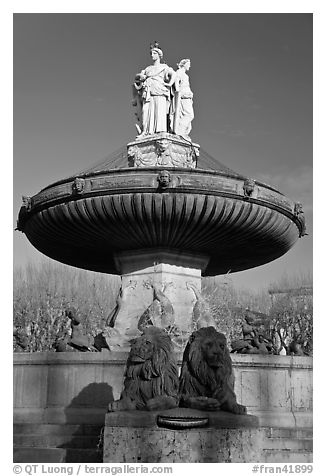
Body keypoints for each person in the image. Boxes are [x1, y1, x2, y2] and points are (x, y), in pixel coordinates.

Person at [133, 42, 176, 136]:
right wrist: (141, 76)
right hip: (148, 92)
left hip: (160, 91)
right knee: (146, 112)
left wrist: (169, 84)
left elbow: (173, 74)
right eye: (151, 53)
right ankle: (146, 131)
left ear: (159, 55)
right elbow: (137, 77)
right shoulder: (148, 68)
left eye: (154, 53)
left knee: (159, 110)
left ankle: (160, 131)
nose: (152, 55)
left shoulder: (164, 67)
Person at [172, 59, 194, 138]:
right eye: (188, 64)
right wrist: (178, 93)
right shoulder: (179, 72)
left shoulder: (185, 75)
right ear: (184, 64)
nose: (189, 66)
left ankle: (182, 131)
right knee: (189, 115)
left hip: (187, 98)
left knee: (189, 115)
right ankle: (180, 131)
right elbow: (176, 83)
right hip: (183, 97)